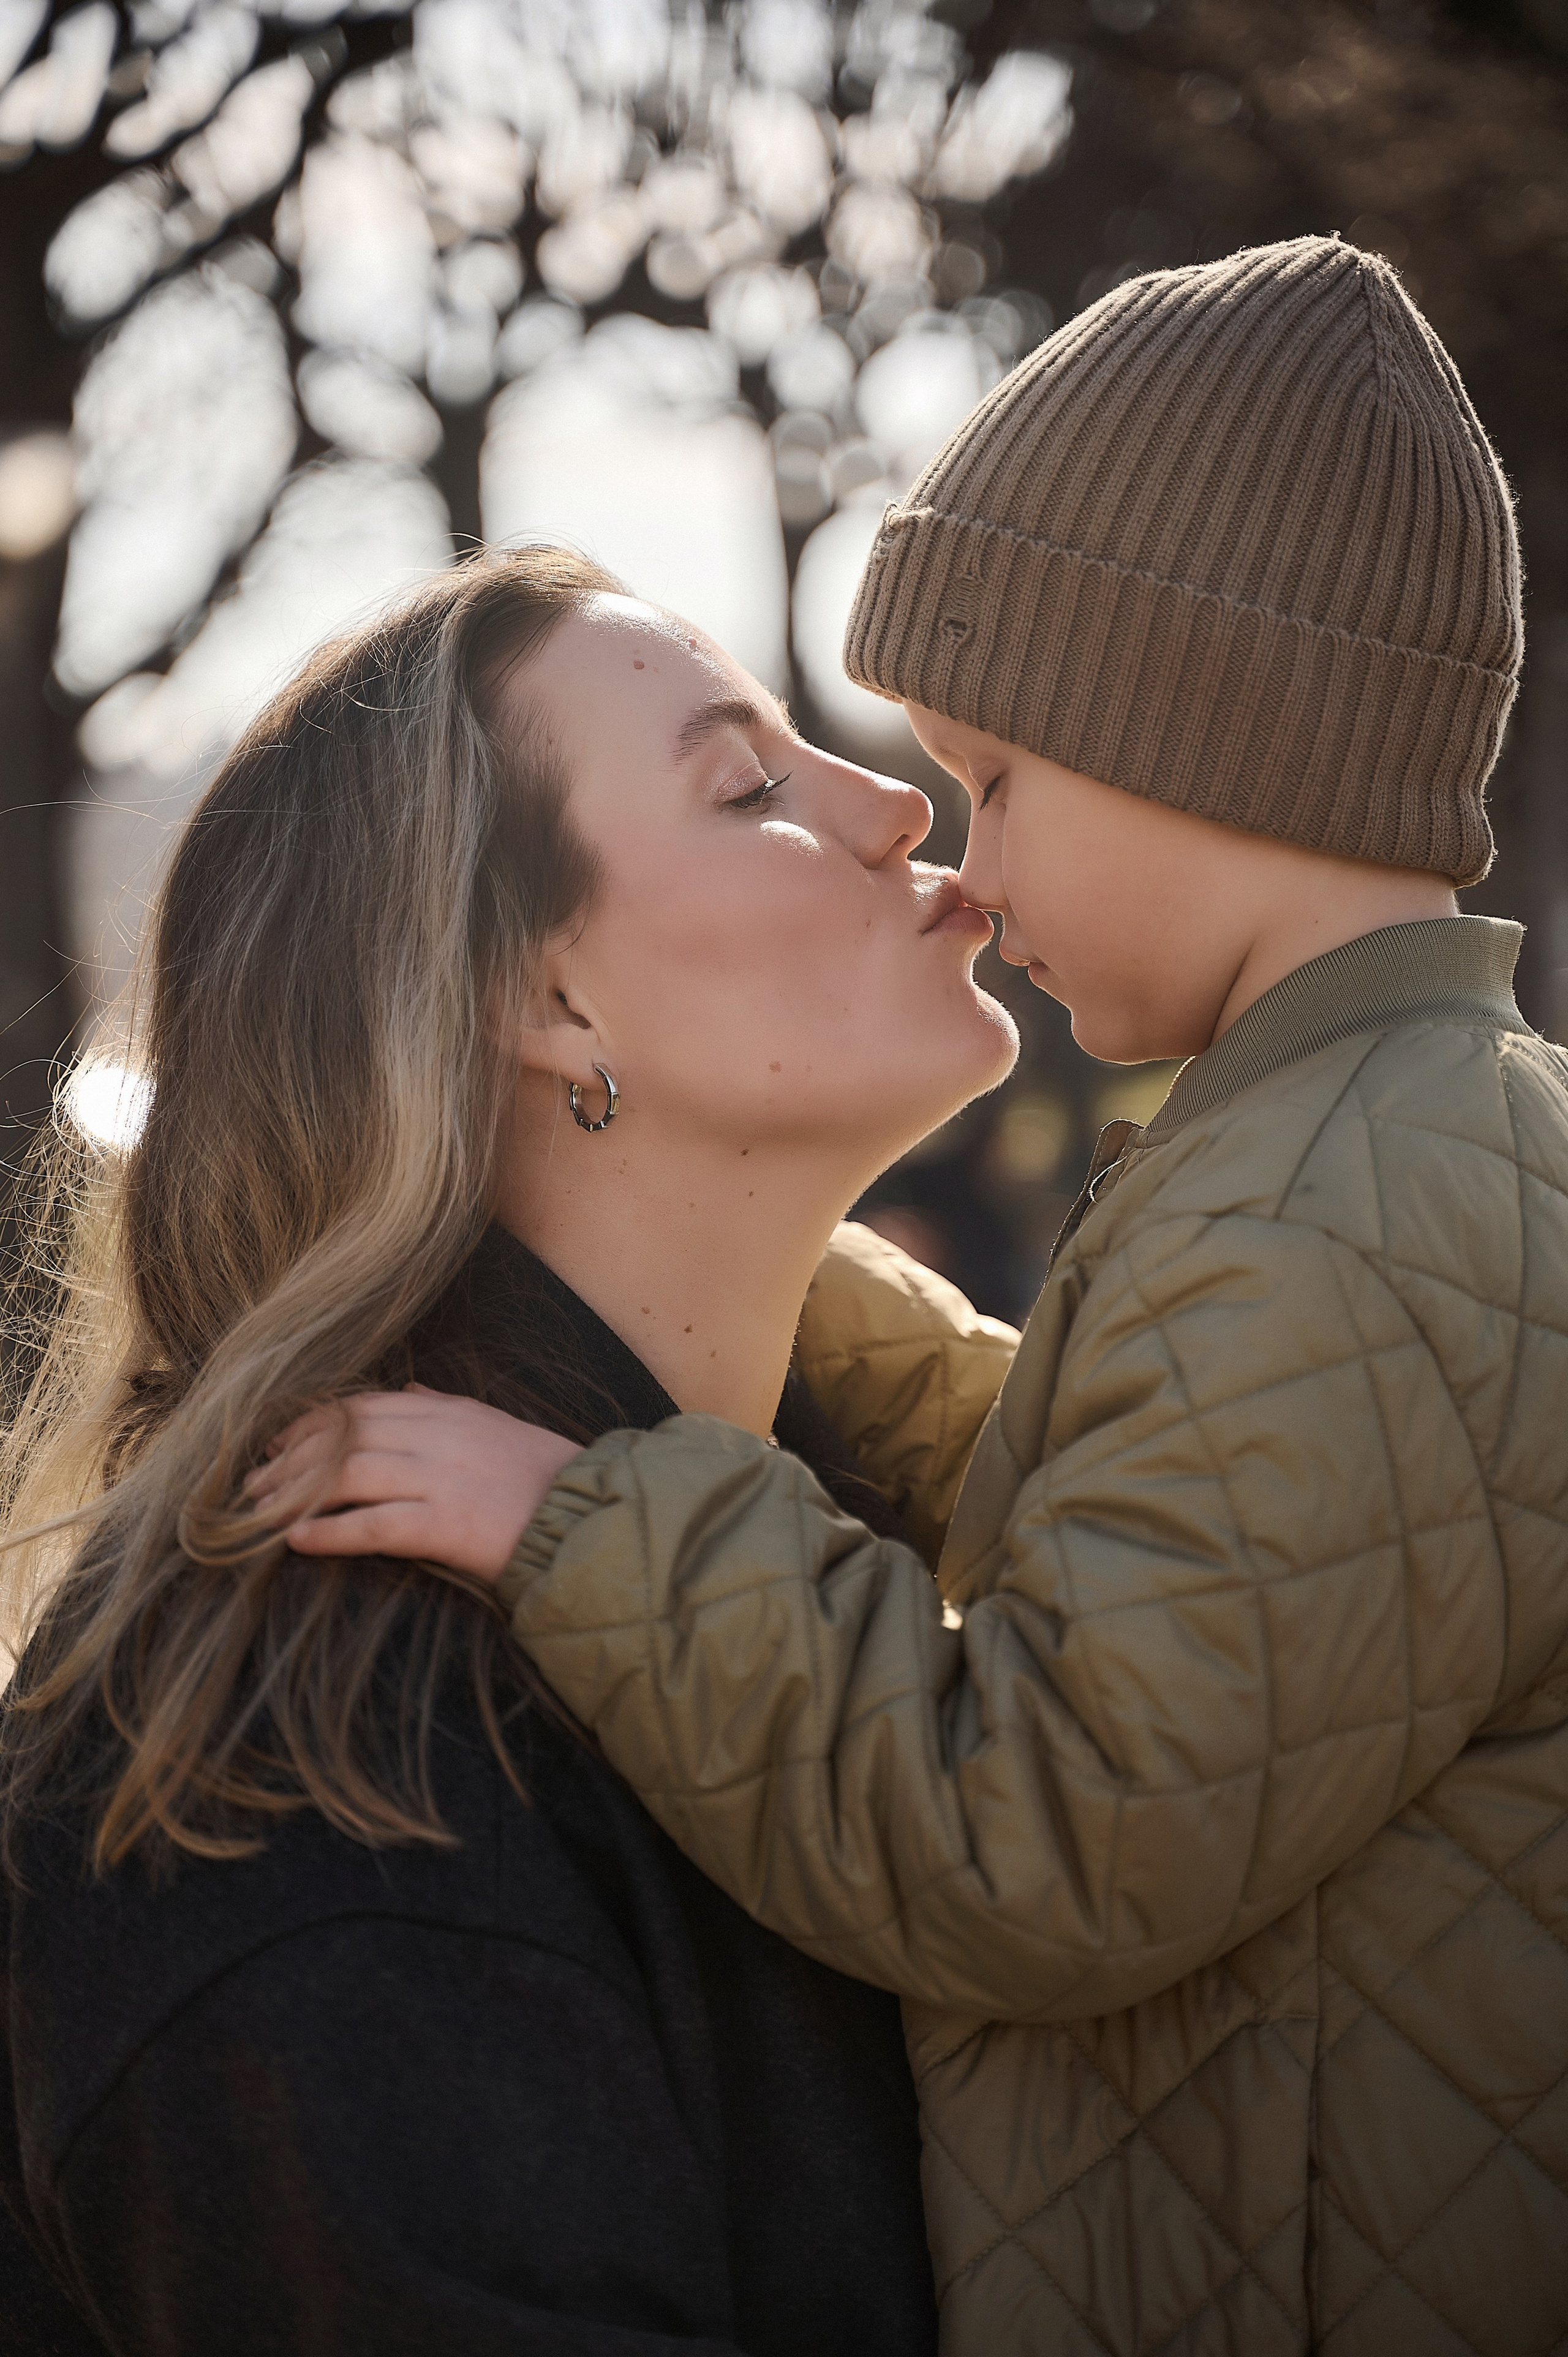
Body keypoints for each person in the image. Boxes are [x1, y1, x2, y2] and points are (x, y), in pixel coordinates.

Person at [264, 239, 1568, 2355]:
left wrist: (592, 1527)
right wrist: (827, 1318)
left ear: (1212, 736)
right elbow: (1180, 1535)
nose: (964, 855)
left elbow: (1036, 1825)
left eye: (1003, 776)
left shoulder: (1337, 1206)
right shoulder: (1402, 1150)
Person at [0, 545, 1025, 2353]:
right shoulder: (317, 1756)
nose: (897, 806)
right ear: (550, 1009)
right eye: (749, 786)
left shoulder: (877, 1541)